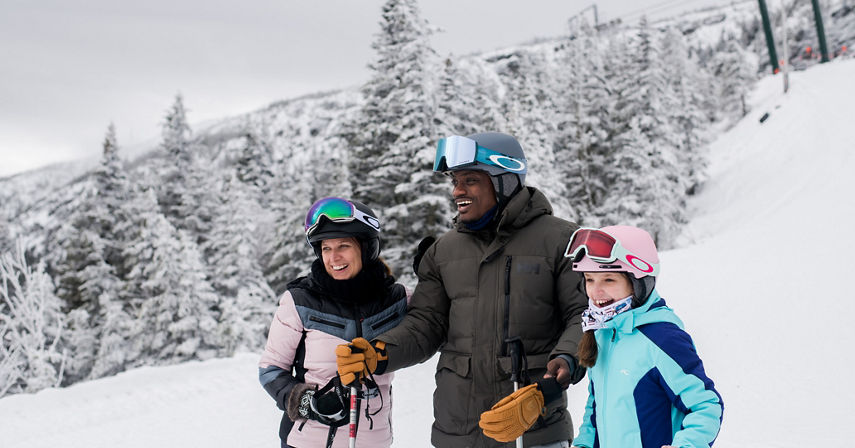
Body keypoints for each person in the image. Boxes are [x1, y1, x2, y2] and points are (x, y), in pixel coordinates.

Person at [335, 132, 589, 448]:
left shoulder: (561, 240)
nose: (457, 191)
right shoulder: (442, 251)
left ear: (504, 180)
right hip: (458, 432)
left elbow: (584, 317)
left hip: (533, 429)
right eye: (455, 181)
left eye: (470, 180)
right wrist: (379, 352)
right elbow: (425, 325)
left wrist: (558, 373)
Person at [479, 225, 724, 448]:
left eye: (609, 279)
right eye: (589, 279)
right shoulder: (604, 334)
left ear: (640, 281)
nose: (596, 291)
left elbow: (705, 405)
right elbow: (597, 410)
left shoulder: (662, 338)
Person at [258, 197, 408, 448]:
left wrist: (434, 274)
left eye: (343, 246)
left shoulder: (396, 300)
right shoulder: (300, 301)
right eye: (326, 248)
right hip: (306, 441)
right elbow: (271, 369)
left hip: (374, 441)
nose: (334, 257)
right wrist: (308, 403)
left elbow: (432, 332)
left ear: (366, 248)